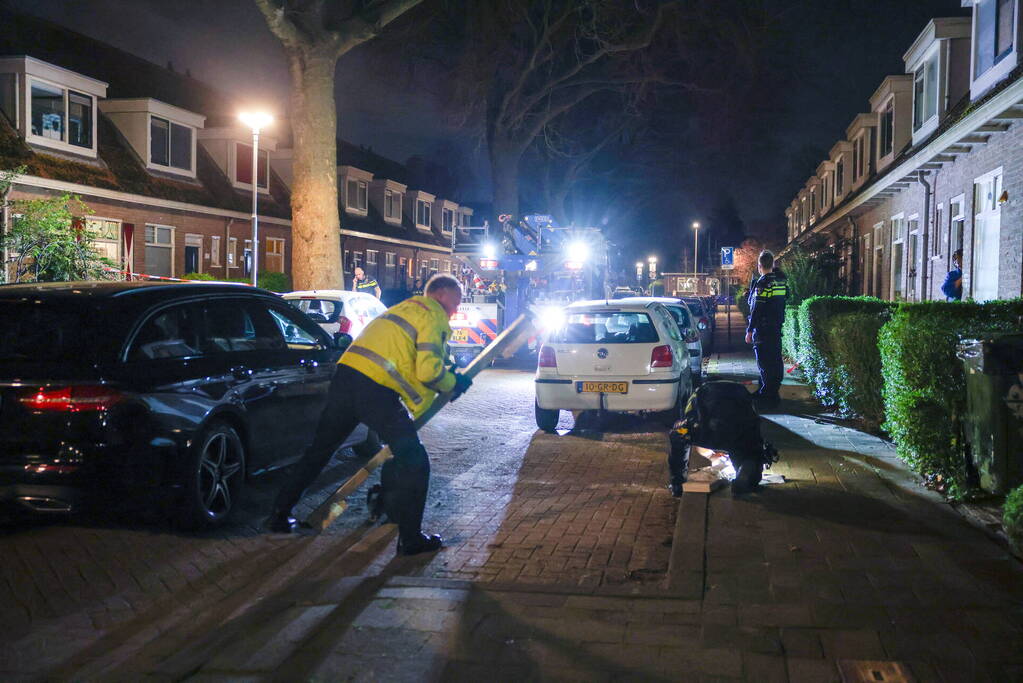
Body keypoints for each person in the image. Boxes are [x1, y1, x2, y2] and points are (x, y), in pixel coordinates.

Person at [266, 274, 473, 555]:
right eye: (454, 305)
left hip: (346, 378)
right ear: (439, 297)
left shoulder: (402, 309)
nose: (454, 311)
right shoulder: (433, 316)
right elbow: (427, 371)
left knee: (320, 450)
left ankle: (279, 513)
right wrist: (453, 383)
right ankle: (411, 539)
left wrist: (443, 379)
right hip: (375, 390)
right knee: (414, 459)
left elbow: (408, 360)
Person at [745, 250, 787, 407]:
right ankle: (771, 391)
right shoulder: (781, 282)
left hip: (763, 329)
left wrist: (750, 330)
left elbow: (757, 309)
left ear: (759, 265)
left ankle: (767, 394)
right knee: (776, 361)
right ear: (773, 264)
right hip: (776, 327)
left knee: (764, 361)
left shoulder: (762, 284)